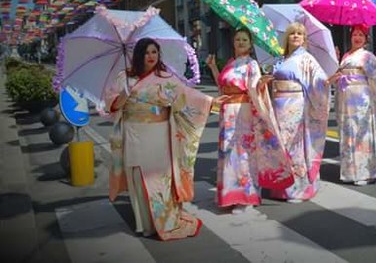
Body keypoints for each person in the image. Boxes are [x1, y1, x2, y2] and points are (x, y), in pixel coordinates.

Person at [104, 38, 223, 240]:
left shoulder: (165, 77)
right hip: (133, 132)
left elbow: (186, 95)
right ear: (139, 56)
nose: (151, 56)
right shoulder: (123, 77)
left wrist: (211, 103)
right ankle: (146, 224)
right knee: (137, 174)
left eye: (154, 52)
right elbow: (112, 105)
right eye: (146, 53)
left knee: (160, 178)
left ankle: (166, 220)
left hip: (158, 134)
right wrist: (123, 95)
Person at [206, 28, 293, 214]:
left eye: (244, 40)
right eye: (237, 39)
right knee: (228, 154)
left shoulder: (251, 64)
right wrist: (213, 67)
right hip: (227, 113)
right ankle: (230, 194)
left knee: (242, 153)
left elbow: (253, 89)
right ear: (233, 42)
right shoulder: (231, 63)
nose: (241, 42)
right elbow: (223, 87)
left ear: (250, 43)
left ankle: (246, 196)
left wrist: (261, 85)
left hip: (243, 113)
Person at [257, 22, 329, 202]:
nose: (296, 36)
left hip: (296, 104)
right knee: (280, 143)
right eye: (292, 33)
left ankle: (297, 188)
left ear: (304, 39)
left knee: (293, 144)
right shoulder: (282, 59)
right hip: (278, 103)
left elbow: (318, 78)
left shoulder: (307, 58)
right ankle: (282, 185)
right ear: (287, 37)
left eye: (300, 34)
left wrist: (325, 82)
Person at [326, 25, 376, 185]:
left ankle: (364, 172)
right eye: (355, 34)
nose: (357, 38)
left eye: (361, 35)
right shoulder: (345, 55)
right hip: (345, 97)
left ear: (365, 39)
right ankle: (350, 172)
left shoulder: (367, 56)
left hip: (361, 98)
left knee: (361, 132)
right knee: (347, 132)